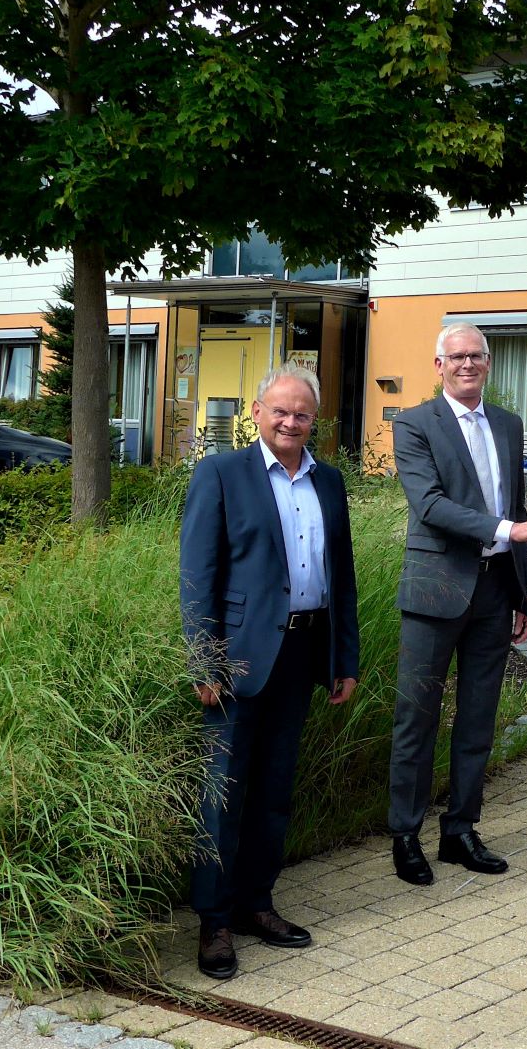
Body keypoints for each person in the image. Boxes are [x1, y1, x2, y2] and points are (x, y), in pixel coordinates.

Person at [179, 364, 359, 980]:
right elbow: (197, 576)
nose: (290, 422)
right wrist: (203, 660)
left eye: (302, 414)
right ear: (257, 412)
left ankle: (257, 903)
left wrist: (344, 660)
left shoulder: (328, 482)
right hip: (235, 662)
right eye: (280, 411)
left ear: (315, 420)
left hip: (303, 656)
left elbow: (343, 578)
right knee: (223, 793)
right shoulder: (222, 472)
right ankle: (214, 920)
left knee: (275, 791)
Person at [387, 323, 527, 886]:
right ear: (438, 365)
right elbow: (430, 504)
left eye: (477, 356)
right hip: (436, 588)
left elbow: (517, 503)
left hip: (493, 589)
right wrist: (512, 529)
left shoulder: (507, 425)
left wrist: (525, 588)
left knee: (478, 717)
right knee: (418, 716)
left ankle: (460, 828)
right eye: (456, 356)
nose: (467, 364)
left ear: (489, 363)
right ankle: (406, 834)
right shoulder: (414, 423)